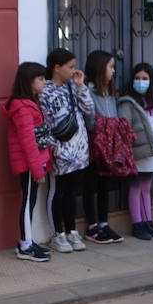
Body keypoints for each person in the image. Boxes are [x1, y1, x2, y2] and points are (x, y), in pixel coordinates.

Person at [40, 47, 92, 253]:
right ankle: (57, 234)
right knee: (58, 192)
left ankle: (71, 230)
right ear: (57, 68)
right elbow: (47, 122)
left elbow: (89, 110)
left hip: (79, 150)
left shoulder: (73, 86)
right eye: (70, 67)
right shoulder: (45, 90)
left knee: (72, 192)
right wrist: (53, 147)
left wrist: (81, 87)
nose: (73, 71)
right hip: (61, 151)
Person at [115, 62, 153, 240]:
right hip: (137, 153)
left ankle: (148, 222)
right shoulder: (127, 103)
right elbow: (125, 129)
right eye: (138, 78)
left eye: (145, 79)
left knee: (147, 188)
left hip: (151, 153)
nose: (141, 82)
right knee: (135, 186)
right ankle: (137, 224)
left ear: (151, 80)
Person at [4, 61, 53, 261]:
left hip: (32, 163)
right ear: (28, 82)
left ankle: (28, 242)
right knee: (27, 203)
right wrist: (37, 170)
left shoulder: (30, 103)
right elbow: (28, 142)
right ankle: (25, 245)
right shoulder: (23, 108)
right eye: (40, 79)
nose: (44, 82)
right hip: (29, 165)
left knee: (30, 201)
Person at [82, 50, 124, 244]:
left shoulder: (109, 92)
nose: (113, 71)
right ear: (99, 69)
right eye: (110, 67)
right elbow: (90, 120)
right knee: (91, 185)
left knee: (105, 185)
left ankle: (104, 223)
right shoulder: (89, 91)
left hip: (109, 146)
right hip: (94, 146)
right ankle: (92, 226)